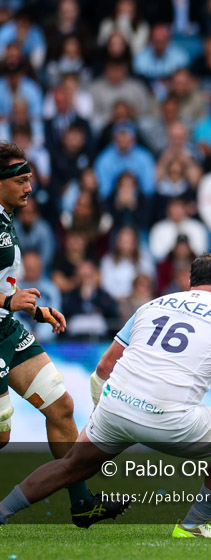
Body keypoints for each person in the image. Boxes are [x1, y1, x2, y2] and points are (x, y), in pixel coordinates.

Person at [0, 254, 211, 538]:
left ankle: (2, 512)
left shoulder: (151, 306)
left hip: (116, 409)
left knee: (70, 466)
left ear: (190, 283)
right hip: (169, 420)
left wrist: (102, 410)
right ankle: (193, 525)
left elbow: (104, 366)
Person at [0, 141, 128, 528]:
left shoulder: (7, 220)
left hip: (5, 329)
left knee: (62, 407)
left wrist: (33, 309)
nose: (29, 188)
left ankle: (82, 502)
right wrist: (8, 304)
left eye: (30, 179)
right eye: (21, 180)